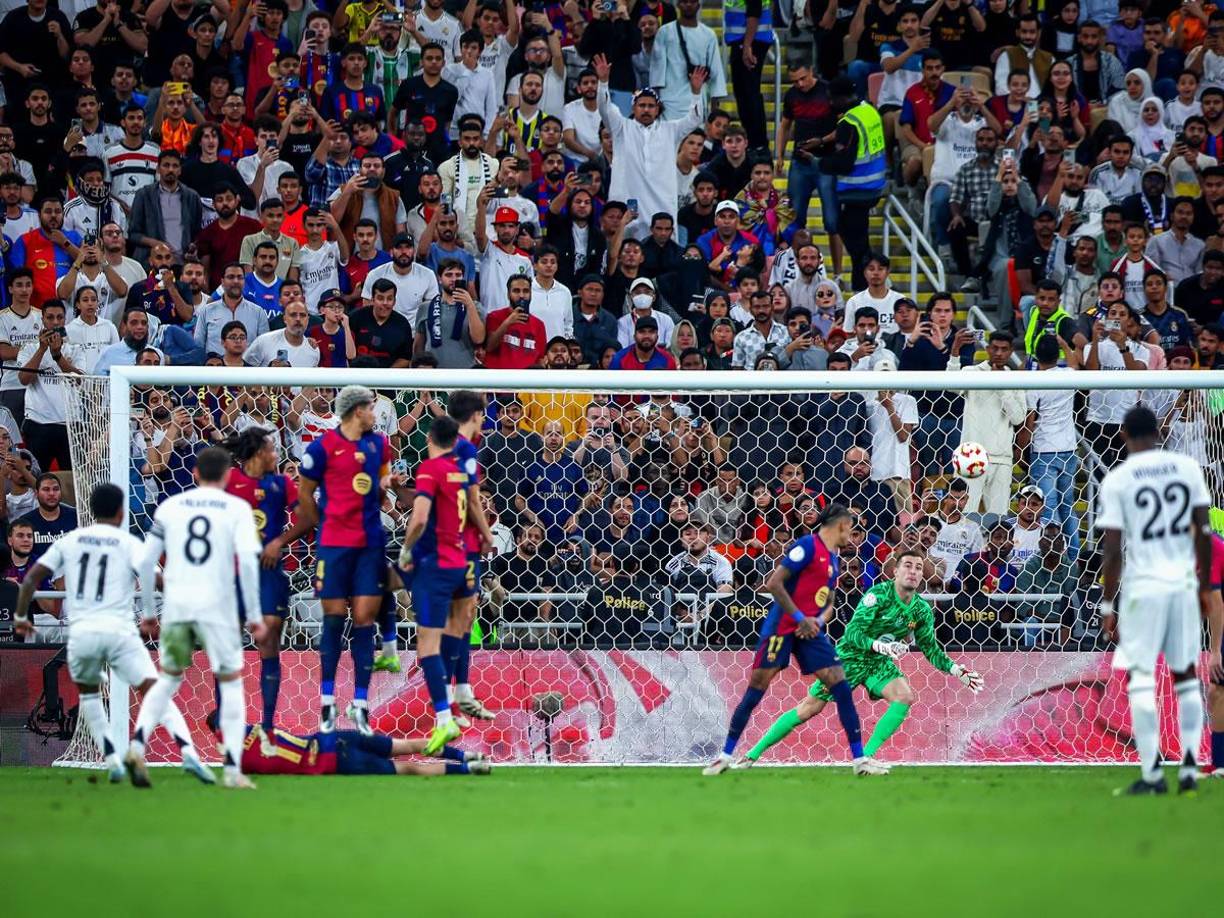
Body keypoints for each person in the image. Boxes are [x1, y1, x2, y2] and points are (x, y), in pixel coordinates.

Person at [13, 483, 210, 785]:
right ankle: (188, 753)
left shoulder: (71, 540)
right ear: (121, 512)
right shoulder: (126, 542)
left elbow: (33, 577)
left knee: (90, 695)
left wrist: (22, 617)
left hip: (82, 634)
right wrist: (155, 614)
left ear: (92, 511)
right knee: (153, 690)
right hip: (120, 632)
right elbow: (155, 578)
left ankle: (113, 760)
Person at [741, 550, 985, 768]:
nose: (913, 571)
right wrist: (879, 645)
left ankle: (865, 758)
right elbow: (853, 633)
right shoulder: (877, 595)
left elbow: (930, 648)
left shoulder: (921, 609)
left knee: (904, 696)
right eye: (908, 566)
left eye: (918, 567)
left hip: (878, 663)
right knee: (809, 708)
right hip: (851, 658)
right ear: (895, 571)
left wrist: (955, 670)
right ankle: (752, 755)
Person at [704, 504, 886, 777]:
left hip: (809, 632)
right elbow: (774, 583)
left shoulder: (834, 559)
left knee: (841, 685)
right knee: (757, 688)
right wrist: (800, 617)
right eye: (851, 526)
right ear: (838, 525)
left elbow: (830, 602)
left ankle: (860, 760)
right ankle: (725, 756)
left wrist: (818, 621)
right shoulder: (807, 546)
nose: (853, 533)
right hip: (782, 627)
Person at [1097, 405, 1224, 795]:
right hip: (1183, 586)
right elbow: (1203, 531)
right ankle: (1188, 768)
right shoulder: (1187, 469)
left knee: (1141, 680)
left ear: (1122, 435)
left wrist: (1108, 605)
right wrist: (1203, 588)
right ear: (1159, 431)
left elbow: (1113, 550)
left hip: (1143, 589)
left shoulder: (1118, 479)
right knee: (1186, 677)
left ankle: (1152, 775)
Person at [123, 446, 267, 790]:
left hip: (177, 607)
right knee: (231, 683)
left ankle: (136, 746)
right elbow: (247, 563)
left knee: (169, 679)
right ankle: (232, 769)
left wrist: (146, 612)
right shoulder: (237, 508)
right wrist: (255, 614)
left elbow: (145, 563)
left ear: (195, 475)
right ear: (229, 476)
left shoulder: (170, 507)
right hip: (218, 607)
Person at [297, 386, 401, 736]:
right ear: (358, 411)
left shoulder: (379, 445)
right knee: (332, 620)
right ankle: (327, 702)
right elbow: (304, 492)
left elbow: (383, 486)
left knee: (363, 621)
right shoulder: (323, 447)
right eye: (372, 408)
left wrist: (387, 485)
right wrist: (322, 524)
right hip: (334, 547)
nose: (376, 413)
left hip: (369, 546)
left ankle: (360, 705)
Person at [221, 427, 314, 734]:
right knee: (228, 644)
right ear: (259, 453)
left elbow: (307, 519)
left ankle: (268, 724)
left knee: (269, 639)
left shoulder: (282, 483)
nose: (277, 454)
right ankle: (224, 716)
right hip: (234, 572)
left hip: (270, 571)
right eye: (273, 449)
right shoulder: (229, 481)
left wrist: (279, 542)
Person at [395, 416, 471, 755]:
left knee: (427, 645)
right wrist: (399, 490)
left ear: (429, 438)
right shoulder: (461, 470)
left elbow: (421, 516)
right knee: (455, 634)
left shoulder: (430, 467)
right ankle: (457, 701)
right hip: (459, 562)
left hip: (435, 564)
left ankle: (444, 717)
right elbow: (432, 502)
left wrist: (406, 549)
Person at [593, 52, 708, 240]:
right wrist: (603, 82)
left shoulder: (671, 130)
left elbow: (695, 118)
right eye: (642, 105)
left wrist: (696, 92)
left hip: (661, 202)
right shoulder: (621, 127)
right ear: (633, 108)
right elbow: (604, 108)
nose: (646, 109)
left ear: (657, 109)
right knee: (625, 249)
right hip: (629, 200)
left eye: (651, 106)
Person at [819, 78, 886, 291]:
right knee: (860, 242)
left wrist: (818, 162)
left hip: (857, 190)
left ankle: (863, 287)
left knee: (857, 248)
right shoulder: (869, 110)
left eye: (832, 98)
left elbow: (844, 164)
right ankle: (867, 284)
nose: (830, 102)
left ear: (841, 98)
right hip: (874, 184)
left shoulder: (848, 123)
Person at [238, 723, 489, 776]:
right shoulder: (256, 728)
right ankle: (466, 756)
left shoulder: (243, 759)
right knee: (406, 745)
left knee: (408, 767)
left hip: (333, 760)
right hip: (333, 738)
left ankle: (469, 767)